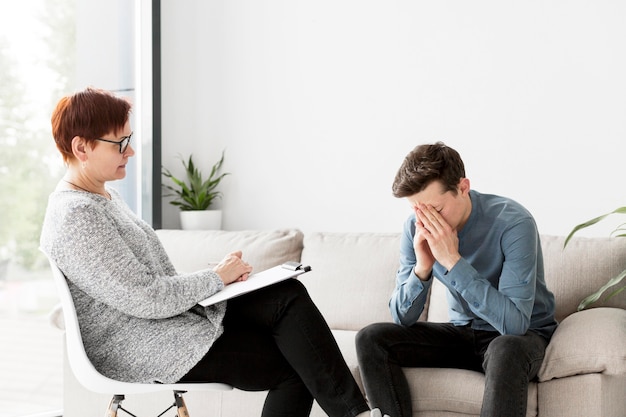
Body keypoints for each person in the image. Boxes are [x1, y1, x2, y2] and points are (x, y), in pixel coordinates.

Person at [40, 87, 386, 417]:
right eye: (121, 143)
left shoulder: (104, 198)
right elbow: (145, 297)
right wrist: (215, 278)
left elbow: (152, 286)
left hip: (165, 326)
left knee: (286, 294)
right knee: (296, 367)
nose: (130, 151)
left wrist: (219, 277)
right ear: (81, 147)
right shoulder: (77, 216)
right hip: (148, 346)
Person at [356, 142, 558, 417]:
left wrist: (453, 261)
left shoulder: (513, 222)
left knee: (504, 348)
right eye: (418, 211)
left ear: (463, 187)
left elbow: (514, 324)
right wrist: (423, 268)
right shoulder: (413, 229)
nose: (427, 221)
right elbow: (402, 318)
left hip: (521, 337)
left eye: (436, 210)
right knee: (371, 338)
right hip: (464, 333)